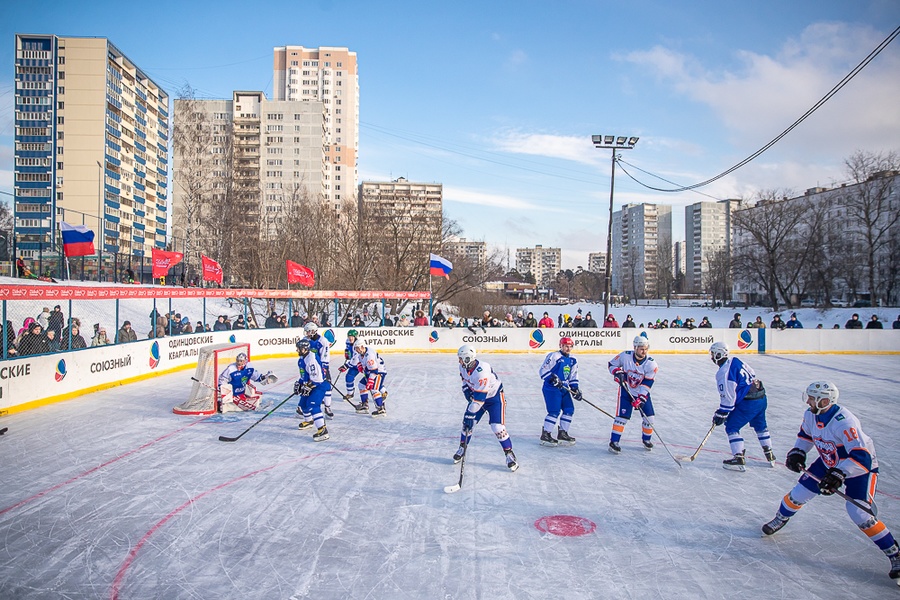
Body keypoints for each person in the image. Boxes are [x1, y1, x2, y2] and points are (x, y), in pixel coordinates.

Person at [760, 381, 900, 583]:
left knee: (859, 512)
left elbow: (862, 456)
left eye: (811, 398)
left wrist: (839, 474)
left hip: (858, 468)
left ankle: (894, 553)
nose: (808, 401)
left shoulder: (844, 421)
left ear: (824, 400)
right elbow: (806, 436)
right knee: (798, 494)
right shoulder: (811, 414)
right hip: (829, 461)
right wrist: (798, 451)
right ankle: (781, 518)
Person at [708, 341, 774, 471]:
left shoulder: (723, 373)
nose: (711, 357)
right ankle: (769, 454)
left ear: (718, 354)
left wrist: (721, 413)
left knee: (732, 426)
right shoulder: (735, 360)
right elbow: (752, 373)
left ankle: (738, 458)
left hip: (749, 402)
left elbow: (728, 398)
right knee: (761, 426)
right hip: (761, 397)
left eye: (713, 354)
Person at [452, 344, 518, 471]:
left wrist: (470, 414)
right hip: (478, 396)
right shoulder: (462, 367)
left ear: (467, 359)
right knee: (467, 425)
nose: (459, 361)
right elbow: (465, 381)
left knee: (497, 427)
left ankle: (509, 453)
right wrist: (466, 391)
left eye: (461, 358)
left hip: (494, 398)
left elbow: (479, 400)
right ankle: (462, 447)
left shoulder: (482, 371)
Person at [607, 334, 658, 454]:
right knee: (621, 418)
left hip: (642, 393)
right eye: (641, 348)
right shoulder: (625, 356)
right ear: (635, 348)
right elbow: (611, 364)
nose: (644, 351)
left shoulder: (651, 364)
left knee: (649, 418)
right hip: (626, 391)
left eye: (646, 348)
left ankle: (646, 440)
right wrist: (617, 372)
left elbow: (647, 382)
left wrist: (640, 398)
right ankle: (614, 442)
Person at [538, 336, 581, 446]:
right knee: (554, 411)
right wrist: (552, 378)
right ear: (560, 346)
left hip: (564, 388)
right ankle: (546, 434)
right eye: (566, 346)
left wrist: (575, 388)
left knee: (569, 409)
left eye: (570, 346)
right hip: (551, 388)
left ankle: (563, 433)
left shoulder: (573, 360)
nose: (568, 348)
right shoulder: (554, 356)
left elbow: (573, 375)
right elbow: (543, 370)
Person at [339, 338, 388, 416]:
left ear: (362, 346)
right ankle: (365, 405)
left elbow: (374, 371)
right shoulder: (361, 353)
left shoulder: (369, 356)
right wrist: (349, 366)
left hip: (379, 372)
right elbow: (356, 361)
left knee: (374, 389)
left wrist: (370, 381)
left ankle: (380, 408)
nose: (356, 350)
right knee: (362, 385)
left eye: (357, 348)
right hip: (371, 371)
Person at [293, 339, 329, 441]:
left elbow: (317, 379)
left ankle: (322, 430)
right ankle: (309, 421)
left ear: (305, 349)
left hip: (319, 385)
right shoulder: (302, 359)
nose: (297, 350)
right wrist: (300, 383)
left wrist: (308, 386)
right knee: (303, 404)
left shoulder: (311, 360)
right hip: (311, 384)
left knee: (313, 405)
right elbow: (305, 375)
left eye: (299, 348)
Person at [303, 322, 334, 419]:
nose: (306, 333)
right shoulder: (305, 340)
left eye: (308, 331)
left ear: (313, 331)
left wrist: (324, 368)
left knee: (327, 386)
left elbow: (325, 355)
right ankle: (305, 406)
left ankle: (327, 407)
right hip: (309, 367)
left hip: (321, 366)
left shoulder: (322, 341)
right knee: (308, 386)